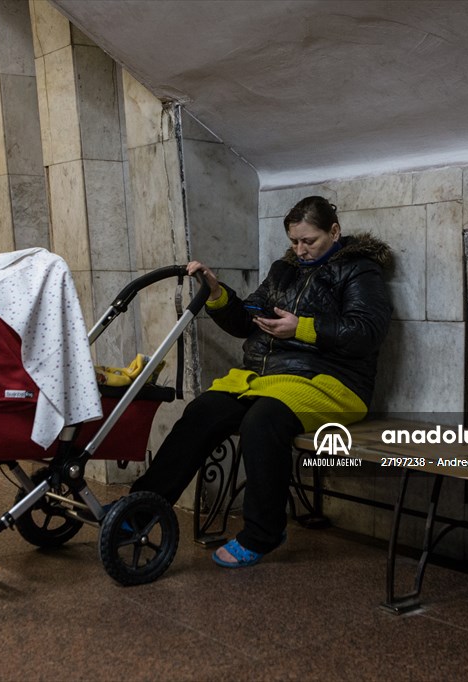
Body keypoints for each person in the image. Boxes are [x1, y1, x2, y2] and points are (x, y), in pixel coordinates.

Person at [130, 195, 392, 568]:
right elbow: (244, 321)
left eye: (309, 241)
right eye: (294, 242)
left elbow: (367, 332)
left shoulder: (360, 270)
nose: (300, 250)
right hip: (269, 380)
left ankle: (263, 532)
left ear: (334, 231)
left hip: (332, 383)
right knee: (202, 410)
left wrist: (299, 327)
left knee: (263, 420)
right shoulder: (283, 271)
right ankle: (139, 510)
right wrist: (217, 293)